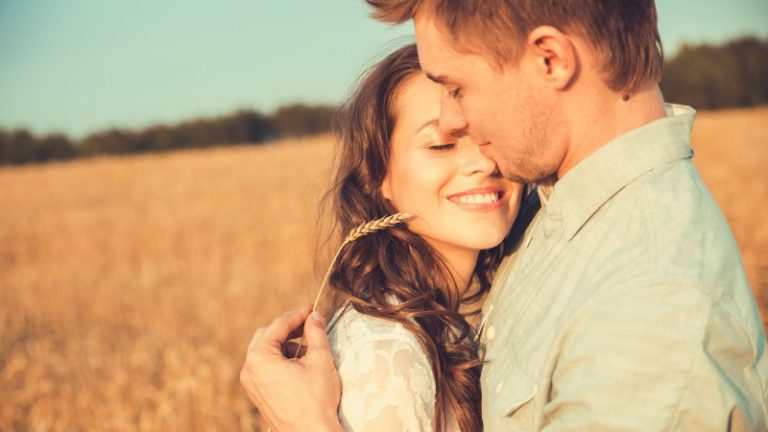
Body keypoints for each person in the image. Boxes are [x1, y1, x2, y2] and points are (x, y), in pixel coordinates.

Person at [242, 1, 768, 430]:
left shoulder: (650, 312)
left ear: (550, 60)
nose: (453, 118)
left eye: (457, 87)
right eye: (440, 141)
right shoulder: (552, 214)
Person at [241, 44, 533, 431]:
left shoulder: (432, 324)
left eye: (489, 138)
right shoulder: (388, 355)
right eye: (441, 145)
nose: (483, 163)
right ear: (381, 177)